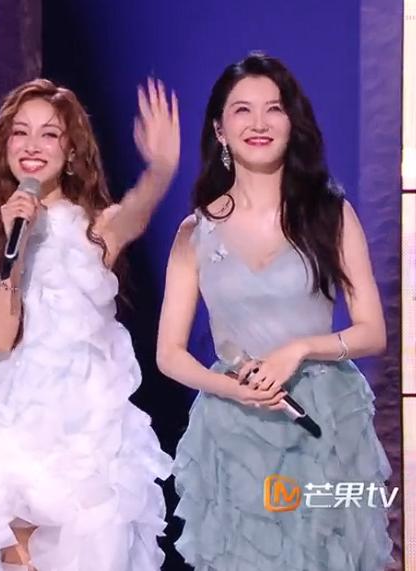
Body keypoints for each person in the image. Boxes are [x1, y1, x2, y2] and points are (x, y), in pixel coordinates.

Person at [0, 77, 179, 570]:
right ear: (4, 147)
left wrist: (161, 168)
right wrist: (13, 250)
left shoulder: (97, 228)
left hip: (86, 432)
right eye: (21, 132)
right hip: (10, 427)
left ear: (71, 151)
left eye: (50, 134)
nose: (33, 146)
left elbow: (139, 211)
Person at [156, 53, 393, 570]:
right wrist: (230, 388)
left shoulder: (330, 213)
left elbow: (372, 331)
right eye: (242, 110)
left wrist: (300, 349)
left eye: (274, 108)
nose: (259, 123)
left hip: (325, 420)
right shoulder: (196, 232)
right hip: (234, 427)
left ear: (292, 122)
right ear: (220, 129)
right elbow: (169, 354)